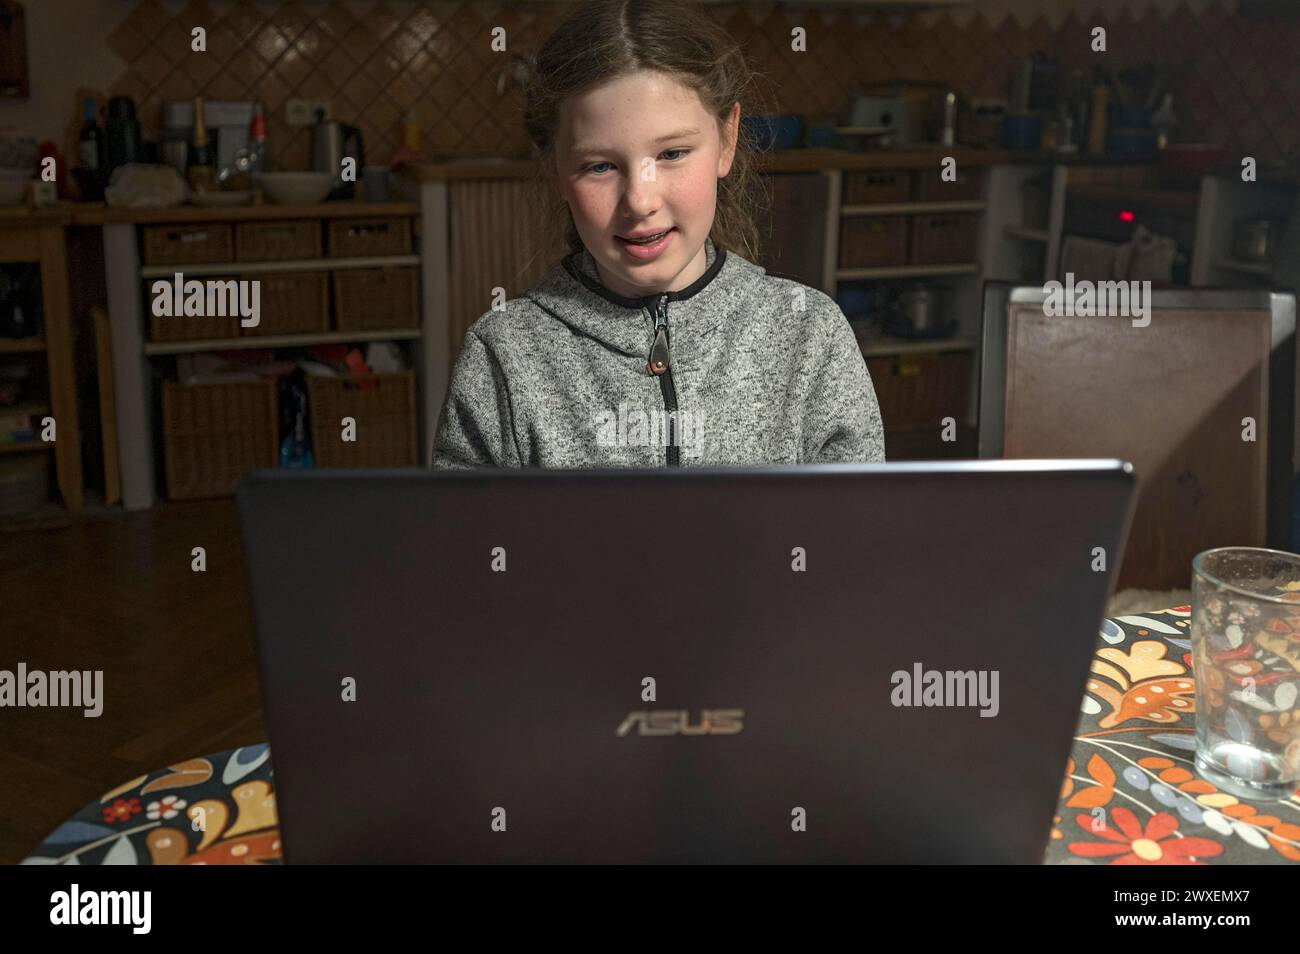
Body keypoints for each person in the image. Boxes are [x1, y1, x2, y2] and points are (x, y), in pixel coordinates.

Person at [433, 0, 885, 469]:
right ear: (555, 168)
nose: (641, 201)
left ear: (727, 141)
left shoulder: (810, 334)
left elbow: (858, 534)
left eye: (672, 153)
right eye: (600, 166)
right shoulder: (501, 355)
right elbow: (467, 540)